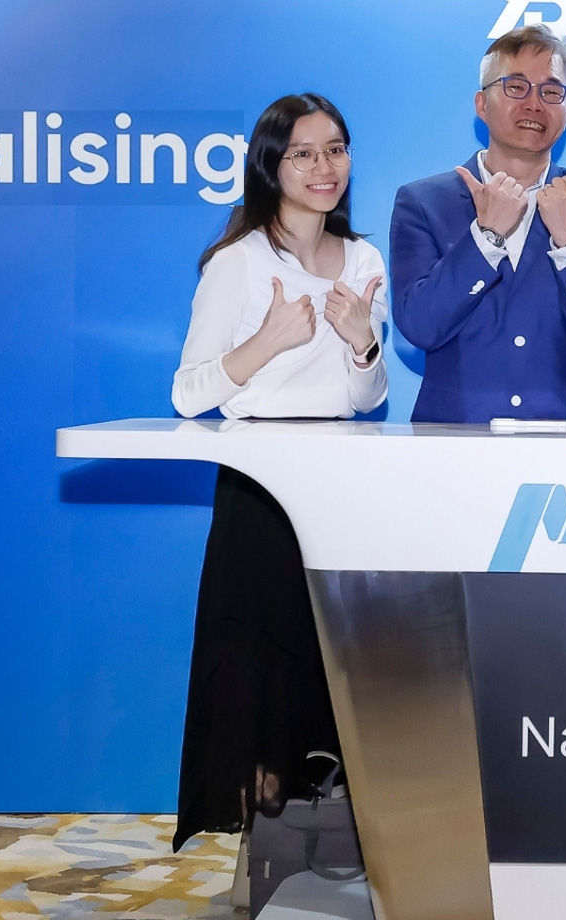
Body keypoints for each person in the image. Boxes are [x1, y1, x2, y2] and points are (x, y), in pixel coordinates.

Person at [169, 93, 387, 850]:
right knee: (261, 668)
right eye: (304, 153)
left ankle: (328, 840)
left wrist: (362, 343)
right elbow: (188, 393)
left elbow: (367, 397)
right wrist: (267, 340)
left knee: (331, 665)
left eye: (336, 149)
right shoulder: (238, 262)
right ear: (271, 165)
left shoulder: (363, 261)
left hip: (339, 484)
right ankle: (260, 852)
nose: (324, 167)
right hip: (259, 487)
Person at [389, 25, 566, 424]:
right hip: (451, 441)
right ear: (482, 104)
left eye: (551, 92)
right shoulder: (422, 202)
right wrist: (484, 239)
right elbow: (419, 327)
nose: (534, 104)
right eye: (516, 87)